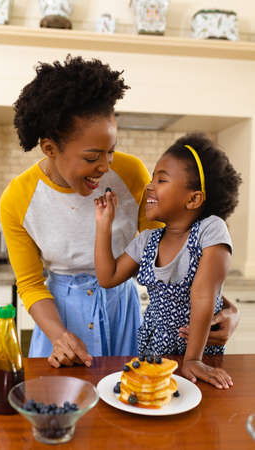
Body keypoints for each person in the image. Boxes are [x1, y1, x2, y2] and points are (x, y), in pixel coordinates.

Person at [0, 55, 239, 369]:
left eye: (110, 151)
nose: (105, 167)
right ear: (49, 148)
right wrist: (59, 335)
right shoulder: (18, 198)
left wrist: (229, 310)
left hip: (122, 314)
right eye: (92, 157)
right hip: (59, 320)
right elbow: (30, 284)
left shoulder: (131, 174)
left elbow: (177, 244)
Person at [94, 132, 242, 388]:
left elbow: (204, 293)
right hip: (153, 353)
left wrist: (193, 358)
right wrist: (103, 225)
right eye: (152, 178)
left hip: (199, 356)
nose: (150, 186)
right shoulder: (147, 240)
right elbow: (108, 277)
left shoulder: (210, 230)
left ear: (193, 198)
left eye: (161, 179)